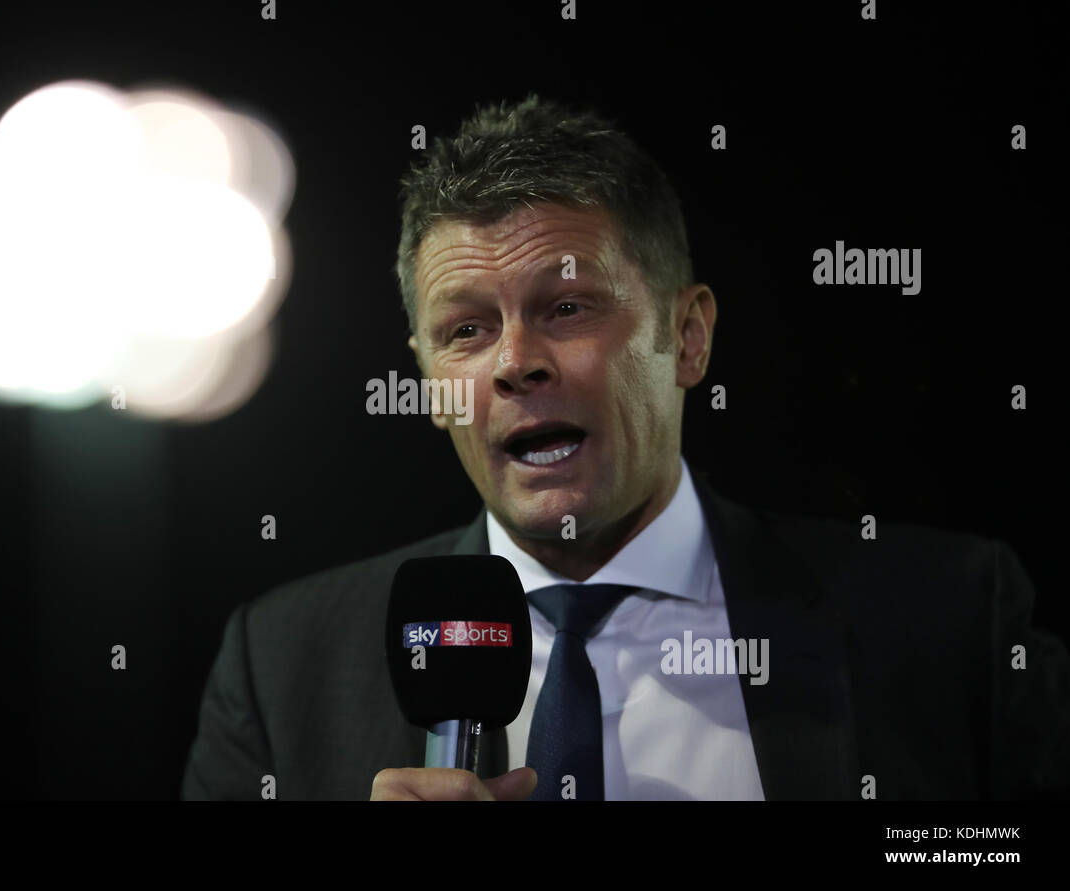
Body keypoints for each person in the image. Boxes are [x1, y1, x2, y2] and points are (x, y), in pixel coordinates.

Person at [180, 94, 1069, 801]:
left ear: (687, 338)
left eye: (566, 308)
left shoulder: (951, 623)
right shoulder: (281, 665)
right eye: (465, 330)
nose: (516, 362)